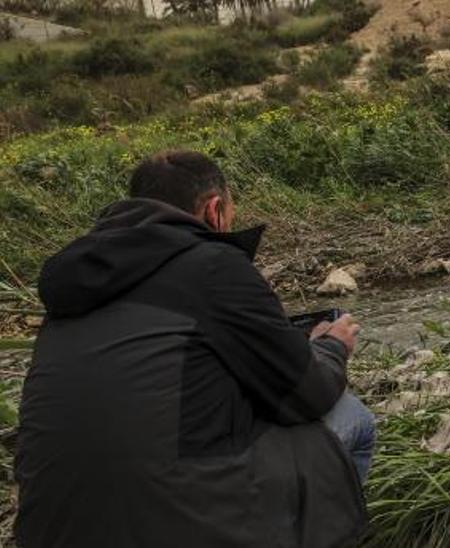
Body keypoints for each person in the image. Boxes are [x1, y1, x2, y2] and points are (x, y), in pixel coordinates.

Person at [15, 150, 374, 547]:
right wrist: (331, 347)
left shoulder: (73, 287)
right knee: (352, 417)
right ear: (214, 211)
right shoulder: (215, 265)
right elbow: (309, 394)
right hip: (178, 525)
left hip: (49, 531)